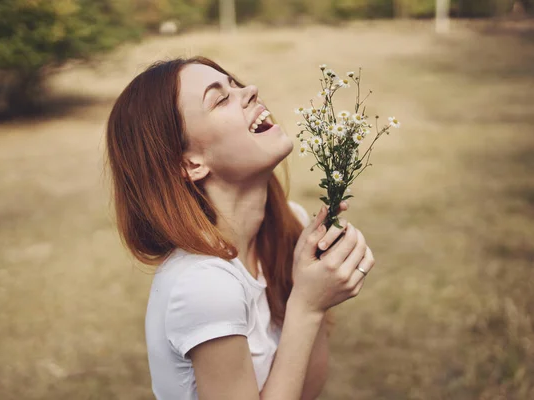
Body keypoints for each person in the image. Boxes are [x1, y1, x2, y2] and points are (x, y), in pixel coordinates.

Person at [105, 56, 375, 400]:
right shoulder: (203, 283)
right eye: (220, 98)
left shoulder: (288, 225)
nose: (250, 91)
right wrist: (306, 306)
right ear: (190, 164)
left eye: (234, 83)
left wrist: (316, 293)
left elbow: (306, 390)